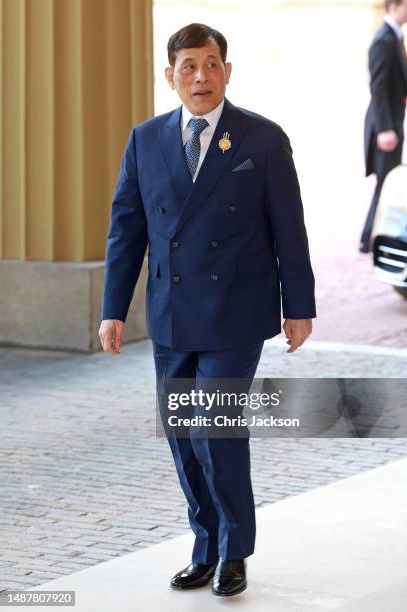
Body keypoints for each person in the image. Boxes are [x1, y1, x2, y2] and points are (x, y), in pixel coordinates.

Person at [99, 23, 316, 597]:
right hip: (171, 313)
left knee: (214, 432)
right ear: (169, 75)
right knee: (180, 434)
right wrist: (112, 309)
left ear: (228, 71)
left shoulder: (262, 140)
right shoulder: (144, 140)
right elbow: (127, 231)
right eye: (189, 65)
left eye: (212, 63)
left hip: (236, 313)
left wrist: (299, 305)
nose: (201, 76)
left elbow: (289, 231)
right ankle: (205, 543)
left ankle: (233, 552)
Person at [360, 0, 407, 253]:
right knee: (386, 183)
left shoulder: (395, 37)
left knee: (387, 184)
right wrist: (386, 129)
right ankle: (368, 239)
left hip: (393, 123)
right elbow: (378, 89)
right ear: (394, 6)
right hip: (384, 127)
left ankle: (368, 239)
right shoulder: (383, 40)